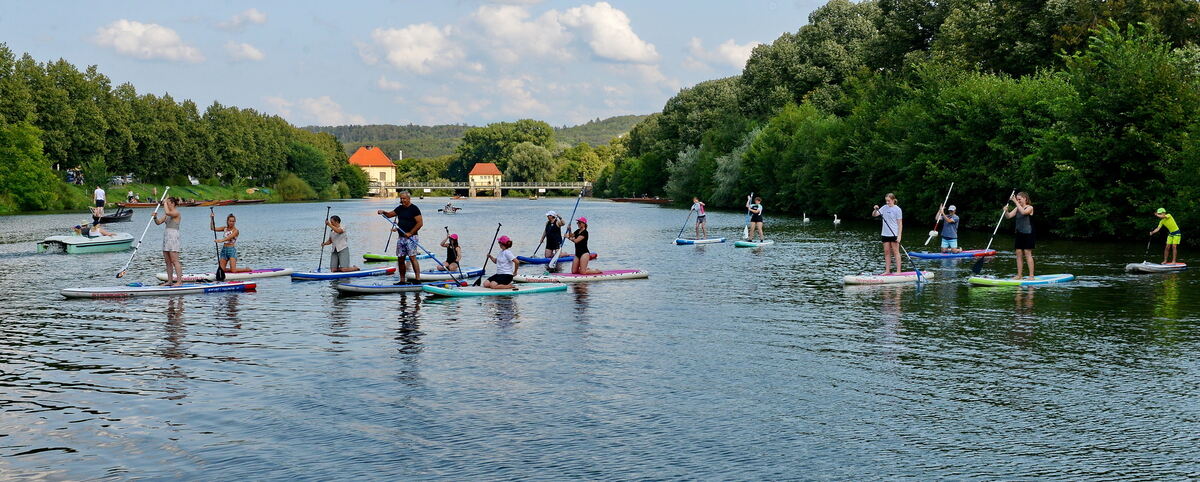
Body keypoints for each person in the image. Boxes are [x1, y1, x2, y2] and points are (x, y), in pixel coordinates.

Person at [377, 191, 423, 283]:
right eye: (401, 198)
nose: (402, 200)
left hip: (412, 237)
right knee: (400, 258)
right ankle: (402, 280)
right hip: (401, 237)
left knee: (412, 258)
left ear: (408, 199)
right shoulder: (400, 208)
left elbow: (420, 223)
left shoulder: (414, 209)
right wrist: (383, 212)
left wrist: (410, 233)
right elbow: (390, 215)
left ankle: (418, 279)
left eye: (404, 198)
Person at [1004, 192, 1035, 279]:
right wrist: (1006, 211)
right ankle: (1019, 275)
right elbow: (1009, 216)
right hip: (1019, 233)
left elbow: (1024, 212)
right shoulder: (1017, 208)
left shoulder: (1030, 207)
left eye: (1019, 199)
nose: (1018, 201)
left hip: (1028, 233)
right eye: (1017, 199)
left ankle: (1031, 275)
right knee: (1018, 253)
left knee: (1027, 252)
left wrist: (1015, 201)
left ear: (1025, 198)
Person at [153, 197, 183, 286]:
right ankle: (169, 281)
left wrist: (164, 202)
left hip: (173, 236)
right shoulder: (167, 215)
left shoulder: (176, 213)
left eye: (168, 202)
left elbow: (167, 212)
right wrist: (155, 217)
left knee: (175, 260)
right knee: (167, 261)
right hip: (166, 237)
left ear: (173, 204)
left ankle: (179, 281)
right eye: (167, 203)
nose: (167, 204)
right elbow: (158, 222)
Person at [872, 193, 904, 274]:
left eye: (889, 201)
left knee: (896, 252)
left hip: (894, 233)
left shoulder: (897, 209)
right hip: (885, 233)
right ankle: (887, 271)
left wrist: (899, 235)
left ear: (893, 200)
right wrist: (876, 209)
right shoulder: (884, 208)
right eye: (886, 201)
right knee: (886, 252)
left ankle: (898, 271)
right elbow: (874, 215)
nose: (887, 202)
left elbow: (900, 223)